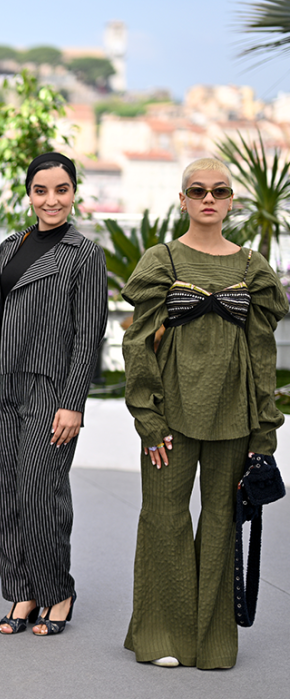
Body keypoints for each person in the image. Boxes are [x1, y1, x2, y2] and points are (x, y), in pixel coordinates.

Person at [122, 158, 287, 669]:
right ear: (183, 200)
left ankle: (214, 642)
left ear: (232, 200)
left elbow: (263, 353)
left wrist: (265, 432)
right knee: (163, 520)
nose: (208, 198)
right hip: (168, 419)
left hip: (234, 418)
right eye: (198, 190)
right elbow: (136, 344)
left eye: (219, 191)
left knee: (221, 524)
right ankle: (164, 635)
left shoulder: (251, 269)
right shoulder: (162, 260)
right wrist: (147, 418)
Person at [0, 153, 108, 636]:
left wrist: (74, 401)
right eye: (41, 190)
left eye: (61, 189)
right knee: (4, 491)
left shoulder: (84, 253)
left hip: (51, 392)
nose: (51, 200)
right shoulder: (12, 245)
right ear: (29, 194)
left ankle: (58, 591)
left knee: (40, 490)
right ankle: (23, 592)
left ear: (74, 193)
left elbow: (89, 334)